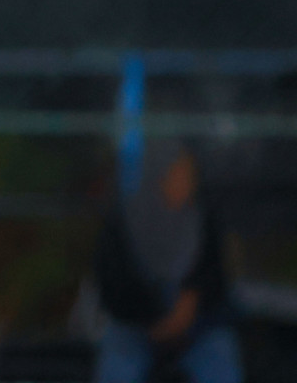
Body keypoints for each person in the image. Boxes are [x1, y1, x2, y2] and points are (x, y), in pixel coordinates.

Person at [94, 142, 242, 383]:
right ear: (160, 175)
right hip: (138, 327)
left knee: (220, 355)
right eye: (179, 173)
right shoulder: (125, 222)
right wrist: (153, 319)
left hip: (196, 329)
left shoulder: (203, 219)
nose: (186, 182)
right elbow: (112, 284)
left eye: (189, 174)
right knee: (119, 362)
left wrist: (192, 300)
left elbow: (218, 278)